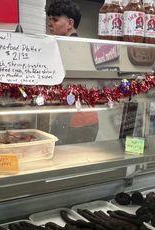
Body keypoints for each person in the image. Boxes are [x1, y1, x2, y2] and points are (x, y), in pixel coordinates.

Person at [46, 0, 100, 145]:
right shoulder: (70, 46)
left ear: (70, 23)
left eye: (55, 20)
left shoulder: (73, 47)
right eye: (49, 19)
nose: (50, 24)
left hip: (76, 120)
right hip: (83, 118)